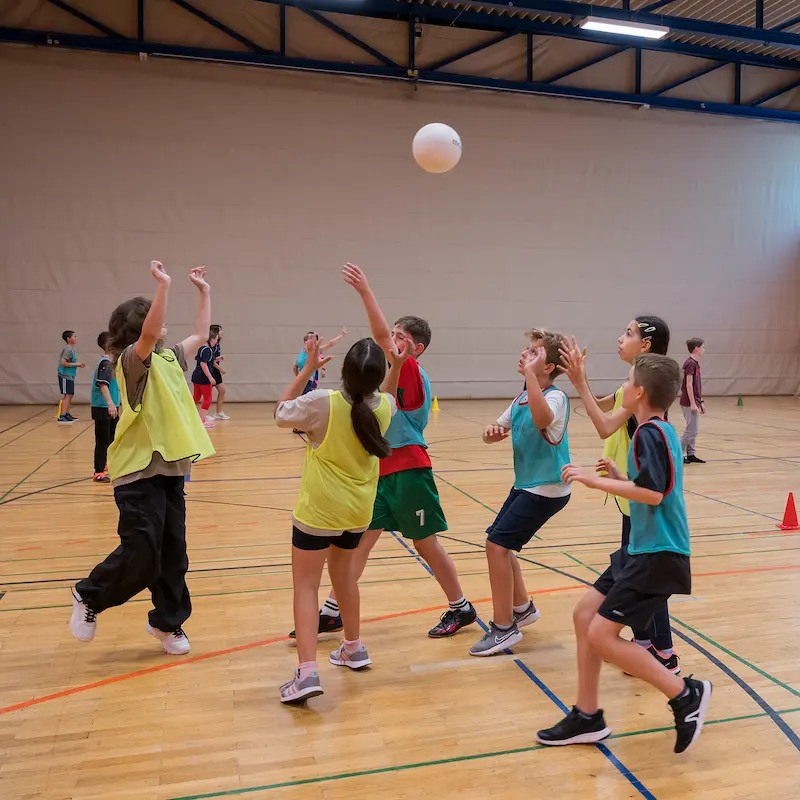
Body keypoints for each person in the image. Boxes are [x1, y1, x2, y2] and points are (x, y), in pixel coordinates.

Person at [536, 354, 711, 754]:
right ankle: (587, 715)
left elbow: (653, 492)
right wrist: (620, 478)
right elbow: (653, 489)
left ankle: (685, 694)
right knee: (584, 616)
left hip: (658, 554)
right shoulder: (656, 430)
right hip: (640, 550)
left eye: (628, 379)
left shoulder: (651, 433)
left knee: (600, 632)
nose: (623, 384)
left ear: (639, 392)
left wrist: (597, 485)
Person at [296, 264, 477, 640]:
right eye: (391, 334)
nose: (389, 341)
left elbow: (378, 335)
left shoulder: (408, 366)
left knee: (425, 543)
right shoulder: (392, 372)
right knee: (361, 540)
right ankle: (333, 610)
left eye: (398, 336)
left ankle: (461, 607)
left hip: (409, 468)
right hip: (380, 470)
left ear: (416, 347)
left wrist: (365, 291)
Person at [69, 261, 215, 655]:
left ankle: (168, 624)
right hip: (137, 472)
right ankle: (88, 595)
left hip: (171, 471)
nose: (163, 323)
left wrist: (203, 291)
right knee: (143, 553)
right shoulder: (132, 361)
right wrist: (164, 286)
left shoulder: (171, 358)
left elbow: (201, 334)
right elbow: (151, 332)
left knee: (173, 554)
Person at [274, 326, 405, 703]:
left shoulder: (322, 401)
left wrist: (306, 369)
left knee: (306, 586)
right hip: (357, 512)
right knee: (345, 577)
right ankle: (353, 647)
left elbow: (281, 412)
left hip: (319, 511)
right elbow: (387, 394)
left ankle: (306, 674)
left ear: (343, 372)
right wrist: (395, 364)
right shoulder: (385, 406)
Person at [559, 317, 680, 674]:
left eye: (628, 333)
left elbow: (603, 424)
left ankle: (662, 653)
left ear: (645, 345)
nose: (620, 338)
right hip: (631, 491)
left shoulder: (643, 391)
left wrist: (578, 381)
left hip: (640, 495)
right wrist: (578, 379)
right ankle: (648, 646)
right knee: (640, 575)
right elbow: (601, 402)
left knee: (644, 576)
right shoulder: (636, 384)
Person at [469, 328, 571, 656]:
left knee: (496, 545)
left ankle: (503, 629)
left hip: (547, 488)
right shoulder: (521, 399)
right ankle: (522, 608)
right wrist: (491, 432)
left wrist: (528, 376)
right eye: (527, 350)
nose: (525, 354)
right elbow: (496, 430)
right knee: (500, 543)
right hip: (527, 484)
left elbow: (543, 418)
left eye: (534, 353)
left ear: (549, 367)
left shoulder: (555, 397)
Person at [90, 332, 120, 483]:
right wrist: (110, 403)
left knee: (111, 438)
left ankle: (106, 464)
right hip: (103, 407)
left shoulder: (111, 363)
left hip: (111, 406)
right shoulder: (105, 363)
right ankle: (98, 471)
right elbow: (103, 384)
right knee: (102, 440)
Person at [680, 337, 706, 465]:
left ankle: (690, 454)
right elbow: (689, 385)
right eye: (702, 347)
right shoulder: (690, 363)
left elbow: (697, 386)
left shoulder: (695, 363)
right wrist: (693, 403)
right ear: (696, 348)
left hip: (694, 400)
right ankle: (678, 452)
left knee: (693, 428)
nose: (704, 350)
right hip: (688, 401)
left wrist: (700, 401)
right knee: (692, 430)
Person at [191, 330, 220, 429]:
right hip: (203, 378)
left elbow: (204, 361)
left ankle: (186, 415)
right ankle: (201, 421)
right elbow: (203, 364)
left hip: (196, 376)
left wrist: (216, 360)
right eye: (216, 338)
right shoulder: (207, 349)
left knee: (196, 397)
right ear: (212, 339)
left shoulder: (203, 348)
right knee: (207, 398)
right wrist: (210, 377)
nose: (217, 340)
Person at [57, 330, 85, 423]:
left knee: (70, 394)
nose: (76, 338)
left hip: (70, 376)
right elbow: (63, 363)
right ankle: (62, 416)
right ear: (68, 339)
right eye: (74, 336)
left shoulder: (71, 350)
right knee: (67, 395)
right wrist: (77, 364)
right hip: (65, 375)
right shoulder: (67, 350)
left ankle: (66, 413)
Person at [209, 324, 229, 421]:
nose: (222, 333)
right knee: (205, 394)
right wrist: (221, 369)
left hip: (215, 372)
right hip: (210, 371)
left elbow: (213, 359)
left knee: (222, 390)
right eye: (220, 331)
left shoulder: (217, 344)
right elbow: (210, 361)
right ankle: (202, 414)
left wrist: (218, 359)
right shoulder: (210, 345)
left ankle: (218, 413)